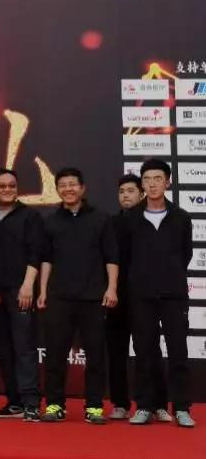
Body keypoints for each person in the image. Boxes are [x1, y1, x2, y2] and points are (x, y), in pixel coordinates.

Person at [38, 167, 118, 425]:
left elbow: (111, 257)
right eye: (63, 185)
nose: (68, 189)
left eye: (73, 184)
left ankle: (94, 406)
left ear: (82, 188)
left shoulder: (101, 218)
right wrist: (43, 290)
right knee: (55, 354)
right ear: (57, 190)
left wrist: (112, 288)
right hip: (59, 296)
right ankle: (54, 404)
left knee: (95, 354)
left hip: (93, 297)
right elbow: (46, 259)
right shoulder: (50, 221)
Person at [125, 160, 195, 428]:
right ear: (142, 183)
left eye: (157, 178)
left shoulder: (181, 217)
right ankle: (145, 405)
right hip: (141, 295)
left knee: (178, 351)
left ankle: (182, 408)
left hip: (173, 294)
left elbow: (185, 254)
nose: (152, 184)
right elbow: (126, 256)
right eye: (147, 179)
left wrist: (169, 275)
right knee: (144, 351)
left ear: (168, 182)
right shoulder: (131, 218)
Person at [108, 174, 170, 422]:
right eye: (121, 191)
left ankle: (158, 404)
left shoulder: (150, 221)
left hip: (145, 296)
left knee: (150, 349)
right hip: (116, 295)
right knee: (116, 350)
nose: (125, 195)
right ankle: (120, 403)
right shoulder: (111, 223)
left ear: (142, 193)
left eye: (131, 190)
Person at [0, 168, 43, 421]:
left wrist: (28, 285)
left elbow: (36, 253)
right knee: (3, 348)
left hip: (21, 291)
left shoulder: (30, 216)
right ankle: (14, 402)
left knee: (24, 347)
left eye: (11, 185)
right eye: (2, 186)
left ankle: (31, 402)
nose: (7, 189)